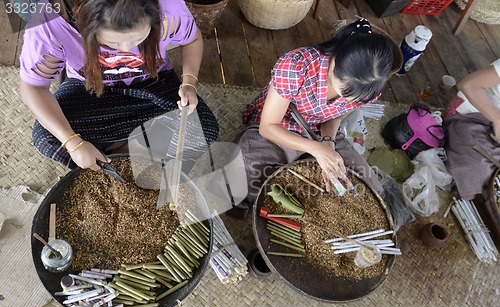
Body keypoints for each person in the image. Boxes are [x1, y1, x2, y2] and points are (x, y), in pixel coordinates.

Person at [222, 18, 394, 219]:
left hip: (322, 130)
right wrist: (315, 148)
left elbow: (335, 115)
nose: (345, 100)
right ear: (336, 62)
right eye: (343, 91)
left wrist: (328, 143)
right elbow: (268, 127)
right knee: (244, 172)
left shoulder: (367, 90)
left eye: (352, 99)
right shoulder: (296, 66)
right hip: (283, 124)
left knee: (366, 186)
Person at [19, 0, 219, 171]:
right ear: (86, 23)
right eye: (112, 43)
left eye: (139, 39)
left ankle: (112, 156)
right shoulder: (48, 23)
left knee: (204, 127)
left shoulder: (168, 7)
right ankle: (134, 152)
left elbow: (192, 39)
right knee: (46, 136)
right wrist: (73, 143)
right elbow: (33, 87)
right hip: (88, 91)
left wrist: (189, 82)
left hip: (153, 83)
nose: (127, 50)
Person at [444, 59, 500, 200]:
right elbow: (469, 85)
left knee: (491, 181)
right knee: (477, 175)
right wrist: (497, 120)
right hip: (472, 113)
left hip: (495, 131)